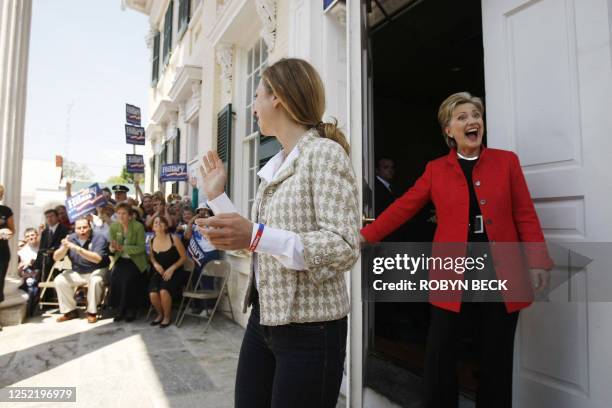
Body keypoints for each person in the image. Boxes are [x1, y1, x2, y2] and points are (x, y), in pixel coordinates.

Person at [360, 92, 553, 408]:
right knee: (440, 353)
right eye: (462, 117)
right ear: (448, 130)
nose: (472, 121)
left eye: (475, 115)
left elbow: (525, 214)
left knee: (496, 357)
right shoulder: (436, 170)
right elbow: (404, 207)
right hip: (452, 272)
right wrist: (367, 235)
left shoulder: (506, 162)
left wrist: (538, 261)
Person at [197, 58, 360, 408]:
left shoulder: (324, 154)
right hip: (263, 320)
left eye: (256, 96)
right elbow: (254, 238)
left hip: (312, 331)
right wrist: (217, 197)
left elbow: (344, 246)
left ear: (279, 98)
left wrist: (255, 236)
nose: (252, 106)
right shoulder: (274, 166)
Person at [52, 218, 110, 323]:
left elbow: (97, 259)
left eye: (85, 227)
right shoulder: (70, 238)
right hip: (78, 272)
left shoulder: (99, 237)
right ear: (75, 229)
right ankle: (70, 311)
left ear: (90, 227)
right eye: (79, 228)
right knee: (59, 280)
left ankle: (92, 312)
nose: (82, 230)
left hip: (97, 270)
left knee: (96, 280)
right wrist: (64, 248)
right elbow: (56, 258)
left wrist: (77, 249)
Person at [108, 202, 147, 322]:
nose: (121, 216)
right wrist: (113, 248)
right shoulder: (114, 226)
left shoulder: (138, 226)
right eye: (119, 213)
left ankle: (131, 309)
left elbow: (141, 248)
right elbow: (111, 246)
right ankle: (120, 309)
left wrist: (123, 248)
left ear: (130, 215)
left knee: (128, 279)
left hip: (135, 261)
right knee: (115, 277)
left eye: (124, 213)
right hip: (120, 259)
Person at [148, 216, 187, 328]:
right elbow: (151, 257)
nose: (157, 224)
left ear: (165, 226)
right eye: (155, 222)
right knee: (153, 293)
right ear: (153, 227)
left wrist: (172, 268)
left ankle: (167, 317)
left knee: (164, 291)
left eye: (161, 222)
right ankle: (160, 314)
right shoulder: (151, 240)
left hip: (175, 271)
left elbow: (184, 257)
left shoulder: (173, 238)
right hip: (160, 272)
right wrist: (155, 264)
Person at [33, 208, 70, 280]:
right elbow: (41, 248)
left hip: (59, 262)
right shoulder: (45, 232)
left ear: (57, 217)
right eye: (47, 217)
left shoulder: (64, 229)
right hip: (45, 263)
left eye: (52, 216)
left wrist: (53, 250)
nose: (49, 218)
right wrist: (37, 265)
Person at [0, 184, 15, 308]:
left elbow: (12, 231)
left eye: (0, 194)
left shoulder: (6, 211)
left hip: (2, 252)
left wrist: (7, 233)